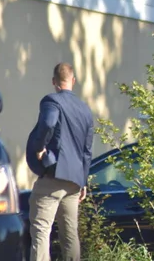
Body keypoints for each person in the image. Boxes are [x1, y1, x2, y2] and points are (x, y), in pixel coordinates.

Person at [28, 63, 95, 261]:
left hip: (53, 176)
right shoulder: (85, 110)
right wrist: (83, 181)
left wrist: (40, 148)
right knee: (70, 235)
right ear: (73, 81)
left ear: (54, 82)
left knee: (41, 231)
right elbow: (87, 150)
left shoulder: (52, 101)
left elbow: (48, 122)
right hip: (74, 182)